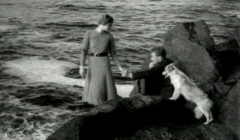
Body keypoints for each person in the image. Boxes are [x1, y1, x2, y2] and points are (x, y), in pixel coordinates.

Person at [79, 14, 124, 105]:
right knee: (96, 88)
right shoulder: (89, 33)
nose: (111, 27)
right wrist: (81, 66)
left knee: (106, 86)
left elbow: (113, 53)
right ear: (103, 23)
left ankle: (106, 105)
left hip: (104, 63)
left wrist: (120, 67)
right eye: (109, 25)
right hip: (93, 62)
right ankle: (95, 106)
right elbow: (84, 51)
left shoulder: (109, 36)